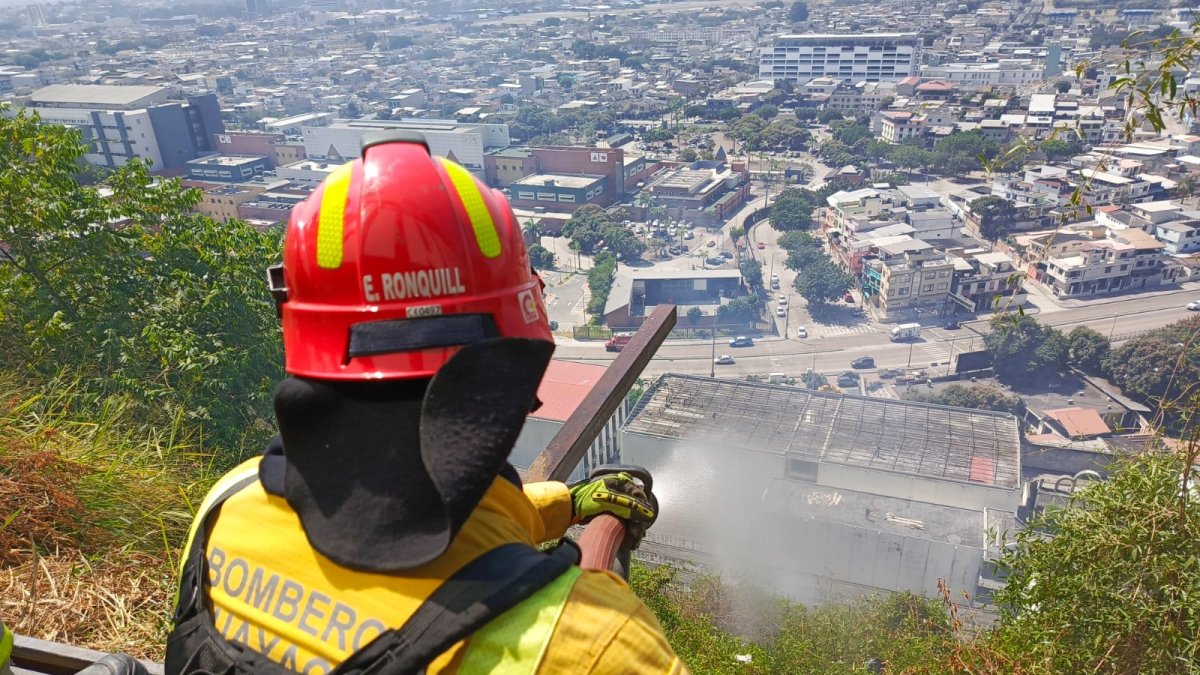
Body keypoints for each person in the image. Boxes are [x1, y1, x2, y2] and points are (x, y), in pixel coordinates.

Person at [166, 131, 686, 675]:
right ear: (515, 356)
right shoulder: (591, 646)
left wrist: (570, 504)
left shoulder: (228, 505)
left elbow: (427, 510)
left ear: (301, 334)